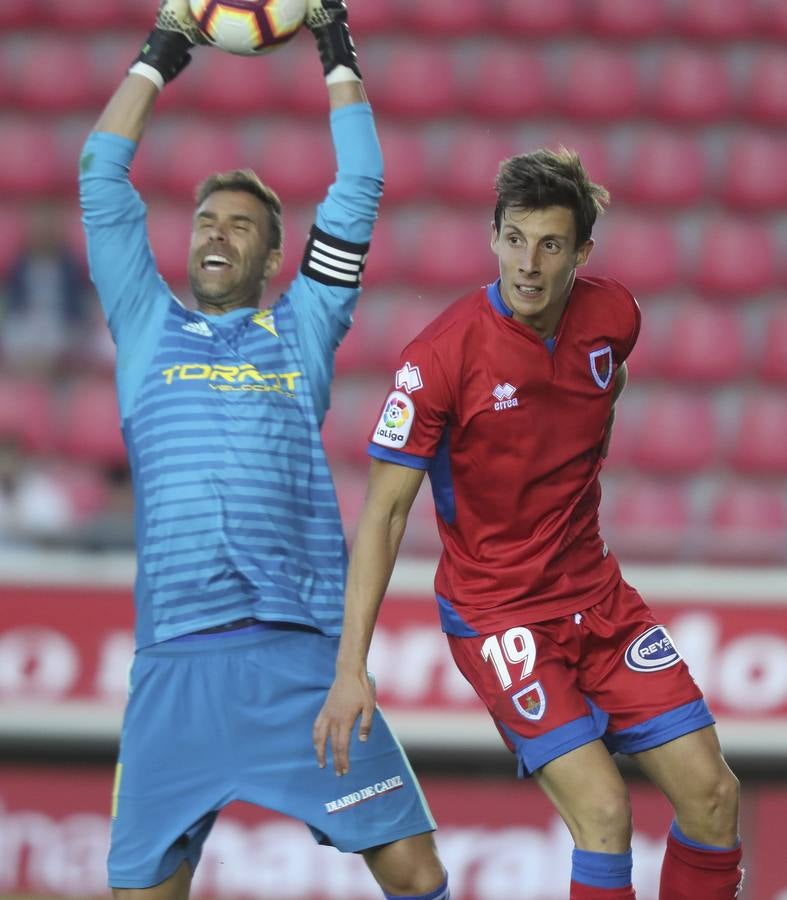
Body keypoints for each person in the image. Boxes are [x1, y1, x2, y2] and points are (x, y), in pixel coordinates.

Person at [78, 1, 449, 897]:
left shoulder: (304, 328)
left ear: (275, 255)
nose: (216, 233)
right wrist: (161, 53)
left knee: (414, 870)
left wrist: (333, 47)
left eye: (240, 225)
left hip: (301, 663)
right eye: (207, 220)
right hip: (176, 665)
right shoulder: (144, 324)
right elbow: (99, 172)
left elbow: (359, 180)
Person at [314, 148, 743, 899]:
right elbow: (382, 514)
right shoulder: (439, 358)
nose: (529, 264)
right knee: (603, 811)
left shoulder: (615, 316)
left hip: (599, 599)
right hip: (499, 616)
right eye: (513, 239)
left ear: (581, 251)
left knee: (713, 796)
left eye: (549, 244)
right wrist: (351, 667)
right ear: (492, 238)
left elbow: (597, 398)